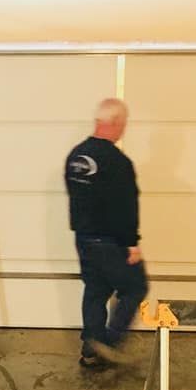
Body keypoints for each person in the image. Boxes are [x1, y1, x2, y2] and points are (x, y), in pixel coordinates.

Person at [64, 98, 148, 370]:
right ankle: (110, 342)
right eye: (123, 124)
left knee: (96, 290)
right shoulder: (117, 161)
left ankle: (91, 349)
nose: (124, 129)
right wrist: (131, 243)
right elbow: (126, 206)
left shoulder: (76, 156)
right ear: (115, 123)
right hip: (110, 240)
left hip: (84, 237)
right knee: (135, 287)